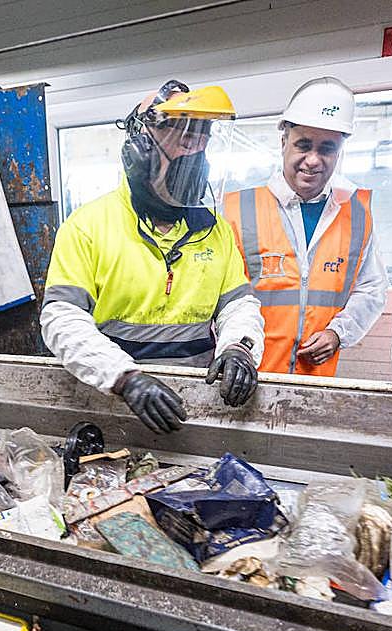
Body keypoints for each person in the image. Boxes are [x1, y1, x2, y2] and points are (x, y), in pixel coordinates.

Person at [40, 81, 264, 434]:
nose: (195, 145)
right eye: (182, 131)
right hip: (115, 406)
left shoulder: (215, 230)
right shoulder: (88, 226)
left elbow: (238, 306)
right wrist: (125, 378)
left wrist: (239, 347)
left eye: (203, 133)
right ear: (140, 146)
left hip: (197, 406)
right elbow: (62, 319)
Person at [223, 77, 387, 375]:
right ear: (283, 141)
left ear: (339, 152)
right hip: (247, 376)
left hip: (315, 381)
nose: (313, 160)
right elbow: (221, 297)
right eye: (303, 145)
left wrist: (338, 333)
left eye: (326, 148)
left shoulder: (357, 214)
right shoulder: (237, 210)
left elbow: (372, 289)